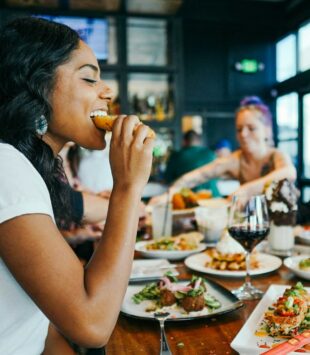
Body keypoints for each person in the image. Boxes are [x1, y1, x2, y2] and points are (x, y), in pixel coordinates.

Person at [0, 17, 154, 355]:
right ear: (35, 85)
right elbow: (92, 325)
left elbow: (40, 327)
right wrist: (128, 187)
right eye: (88, 78)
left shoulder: (30, 169)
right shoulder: (5, 166)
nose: (108, 92)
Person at [151, 96, 296, 203]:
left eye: (251, 128)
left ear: (267, 130)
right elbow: (198, 175)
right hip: (255, 227)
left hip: (286, 227)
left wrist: (246, 189)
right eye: (239, 129)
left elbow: (288, 172)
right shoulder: (236, 160)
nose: (243, 134)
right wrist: (169, 194)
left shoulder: (276, 155)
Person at [164, 130, 220, 197]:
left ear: (184, 141)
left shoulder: (176, 156)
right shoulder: (211, 153)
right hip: (214, 198)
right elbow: (218, 176)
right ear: (199, 141)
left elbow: (167, 179)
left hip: (189, 199)